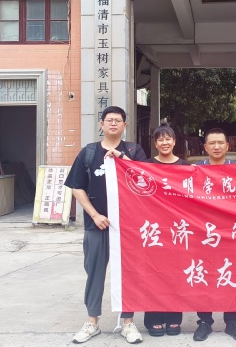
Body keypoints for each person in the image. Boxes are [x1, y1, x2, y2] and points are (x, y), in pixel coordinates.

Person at [65, 106, 147, 344]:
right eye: (109, 120)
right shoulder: (89, 152)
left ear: (124, 125)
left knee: (128, 273)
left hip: (128, 227)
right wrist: (94, 215)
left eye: (118, 120)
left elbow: (144, 179)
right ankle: (92, 322)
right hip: (97, 225)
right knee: (95, 272)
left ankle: (128, 322)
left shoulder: (133, 150)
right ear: (101, 124)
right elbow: (76, 187)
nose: (113, 123)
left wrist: (122, 159)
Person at [193, 128, 236, 343]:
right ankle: (204, 321)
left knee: (232, 275)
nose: (216, 147)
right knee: (204, 276)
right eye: (212, 143)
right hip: (203, 233)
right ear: (205, 147)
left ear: (227, 146)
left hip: (231, 234)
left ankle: (232, 321)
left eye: (220, 143)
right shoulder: (195, 170)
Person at [141, 123, 188, 337]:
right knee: (153, 274)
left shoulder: (186, 167)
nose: (165, 142)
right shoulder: (146, 166)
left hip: (178, 229)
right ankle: (153, 318)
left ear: (174, 142)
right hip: (153, 229)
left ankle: (173, 318)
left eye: (168, 138)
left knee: (175, 274)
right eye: (160, 139)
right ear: (155, 143)